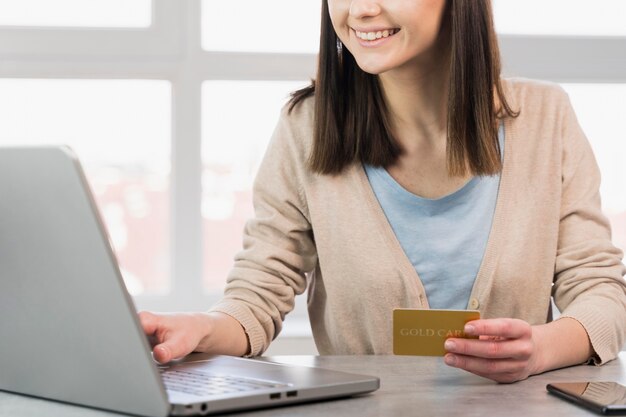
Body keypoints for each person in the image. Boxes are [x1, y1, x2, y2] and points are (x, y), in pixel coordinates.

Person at [139, 0, 626, 383]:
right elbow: (257, 297)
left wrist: (540, 350)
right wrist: (200, 328)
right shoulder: (305, 127)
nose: (361, 10)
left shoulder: (546, 118)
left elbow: (602, 295)